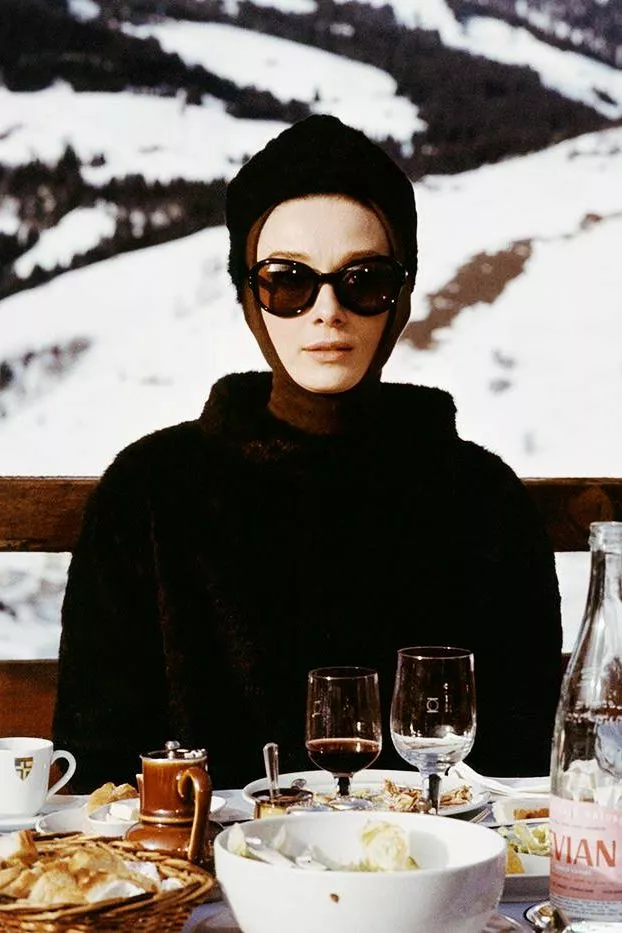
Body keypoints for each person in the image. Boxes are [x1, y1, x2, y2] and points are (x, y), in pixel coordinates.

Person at [53, 115, 563, 793]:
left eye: (364, 279)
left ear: (402, 295)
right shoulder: (150, 492)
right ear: (249, 295)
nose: (327, 310)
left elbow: (526, 773)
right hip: (205, 859)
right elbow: (95, 771)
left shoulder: (483, 500)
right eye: (288, 280)